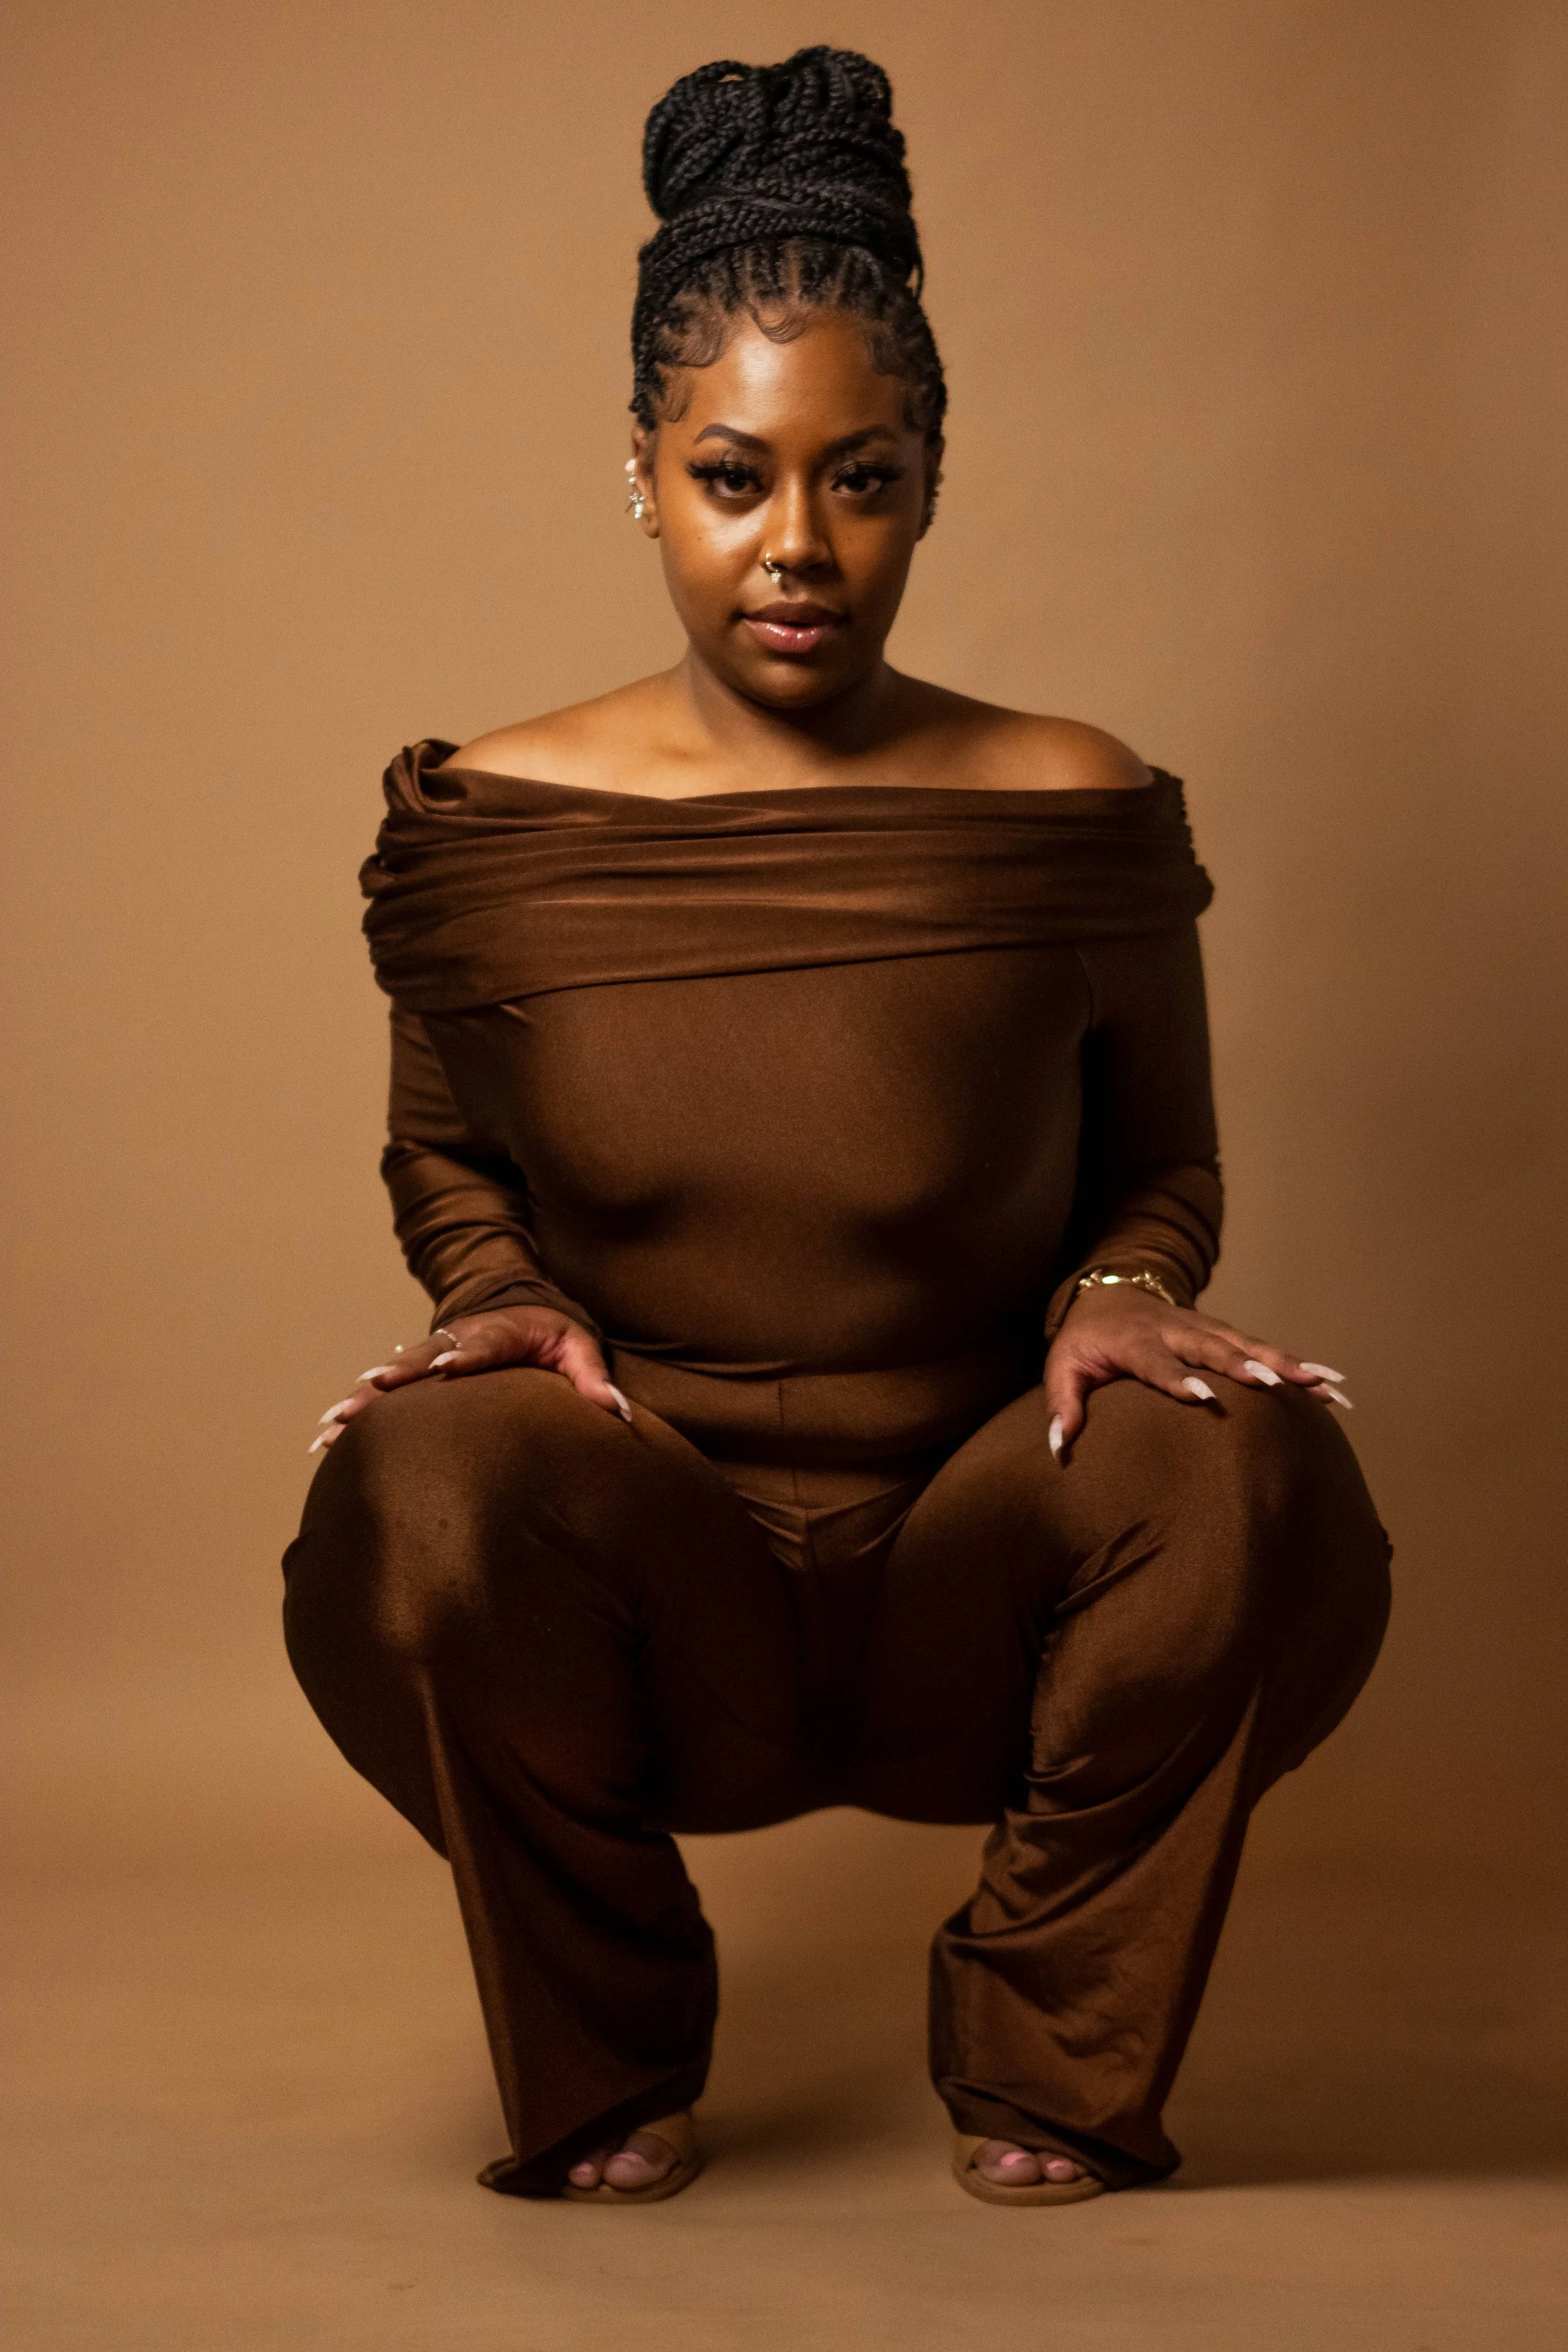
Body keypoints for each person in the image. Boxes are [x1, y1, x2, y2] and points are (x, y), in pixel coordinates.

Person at [283, 46, 1391, 2209]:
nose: (797, 546)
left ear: (929, 475)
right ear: (641, 472)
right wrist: (495, 1301)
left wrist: (1121, 1290)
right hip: (650, 1545)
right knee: (415, 1479)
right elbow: (449, 1159)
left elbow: (1165, 1157)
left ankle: (1047, 2045)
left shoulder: (1071, 809)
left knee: (1257, 1457)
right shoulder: (493, 828)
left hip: (985, 1548)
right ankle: (607, 2056)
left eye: (860, 476)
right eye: (731, 475)